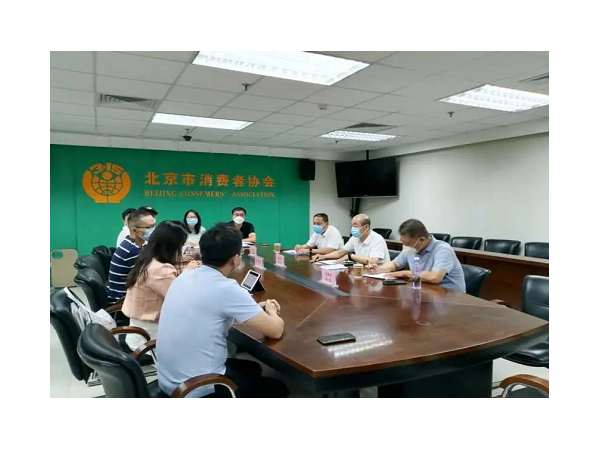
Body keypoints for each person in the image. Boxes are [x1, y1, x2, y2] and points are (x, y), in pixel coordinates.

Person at [157, 223, 287, 398]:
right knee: (278, 388)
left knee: (252, 368)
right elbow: (275, 331)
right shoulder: (227, 288)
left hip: (169, 380)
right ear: (235, 259)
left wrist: (253, 310)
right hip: (199, 387)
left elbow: (211, 311)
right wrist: (271, 311)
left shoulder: (185, 276)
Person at [122, 221, 201, 350]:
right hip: (151, 338)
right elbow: (181, 299)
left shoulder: (148, 258)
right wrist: (187, 272)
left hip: (139, 330)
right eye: (181, 245)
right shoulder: (160, 269)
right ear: (171, 246)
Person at [368, 219, 466, 292]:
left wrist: (406, 273)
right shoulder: (413, 248)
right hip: (425, 292)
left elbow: (434, 277)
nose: (404, 246)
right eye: (403, 242)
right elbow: (395, 264)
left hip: (449, 298)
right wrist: (380, 269)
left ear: (421, 240)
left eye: (407, 243)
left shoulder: (443, 249)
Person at [106, 209, 156, 303]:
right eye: (149, 227)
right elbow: (148, 278)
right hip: (122, 300)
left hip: (126, 294)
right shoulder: (132, 251)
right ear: (134, 230)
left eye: (154, 226)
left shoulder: (133, 243)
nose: (153, 230)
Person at [313, 214, 390, 265]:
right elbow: (340, 252)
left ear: (366, 227)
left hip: (379, 274)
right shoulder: (355, 238)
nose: (352, 228)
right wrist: (323, 257)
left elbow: (373, 261)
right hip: (363, 271)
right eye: (352, 226)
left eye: (355, 226)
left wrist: (351, 256)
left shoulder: (377, 239)